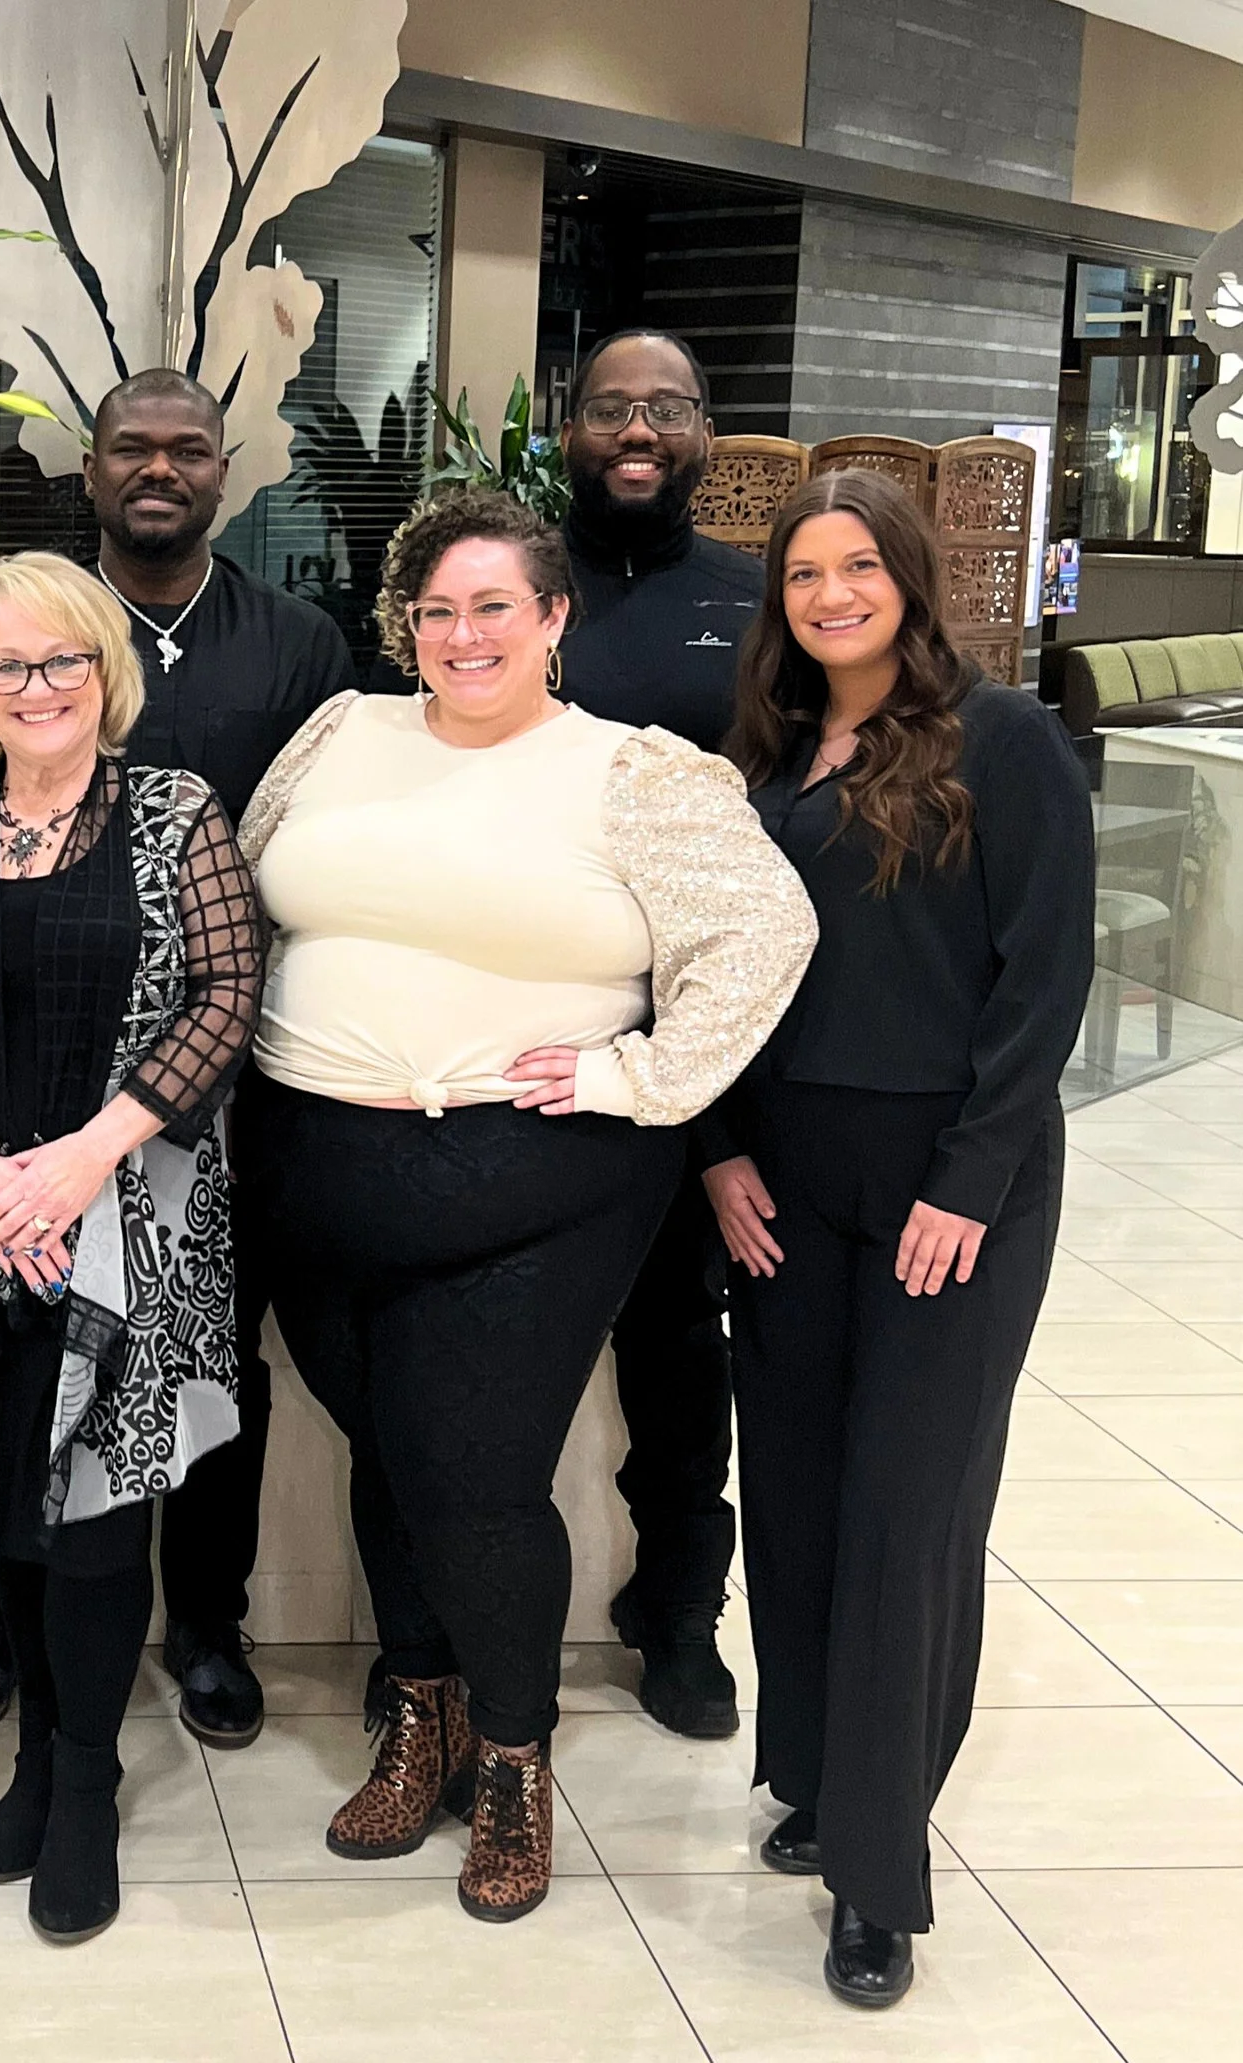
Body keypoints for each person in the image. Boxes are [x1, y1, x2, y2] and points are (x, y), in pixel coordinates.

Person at [236, 489, 812, 1922]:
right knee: (387, 1453)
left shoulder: (633, 771)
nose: (462, 634)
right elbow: (245, 895)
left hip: (532, 1183)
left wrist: (644, 1077)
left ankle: (511, 1758)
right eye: (435, 609)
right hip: (315, 1169)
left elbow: (766, 928)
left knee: (474, 1474)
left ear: (553, 617)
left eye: (495, 605)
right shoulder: (341, 734)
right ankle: (418, 1717)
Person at [0, 367, 357, 1751]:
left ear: (225, 471)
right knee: (17, 1347)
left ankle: (208, 1623)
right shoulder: (30, 627)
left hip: (222, 1084)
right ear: (90, 468)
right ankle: (5, 1618)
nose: (158, 468)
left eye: (187, 448)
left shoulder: (298, 645)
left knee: (208, 1348)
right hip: (26, 1080)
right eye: (131, 448)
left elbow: (327, 848)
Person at [702, 469, 1090, 2007]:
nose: (832, 595)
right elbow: (715, 965)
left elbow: (1044, 979)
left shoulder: (1006, 741)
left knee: (905, 1513)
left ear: (912, 578)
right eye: (804, 573)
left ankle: (879, 1876)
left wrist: (971, 1179)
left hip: (952, 1179)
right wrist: (719, 1149)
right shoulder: (767, 748)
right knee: (797, 1495)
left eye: (859, 565)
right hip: (786, 1179)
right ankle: (815, 1780)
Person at [0, 552, 263, 1944]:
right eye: (5, 664)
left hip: (124, 1225)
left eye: (61, 660)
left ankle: (86, 1780)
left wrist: (84, 1159)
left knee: (96, 1518)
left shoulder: (175, 812)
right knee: (9, 1513)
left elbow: (226, 993)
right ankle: (34, 1755)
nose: (35, 686)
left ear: (105, 671)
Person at [553, 329, 766, 1736]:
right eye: (612, 408)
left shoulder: (753, 606)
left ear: (704, 432)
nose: (639, 431)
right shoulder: (513, 590)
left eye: (668, 409)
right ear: (569, 428)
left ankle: (681, 1613)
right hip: (532, 1034)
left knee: (682, 1351)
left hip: (699, 1053)